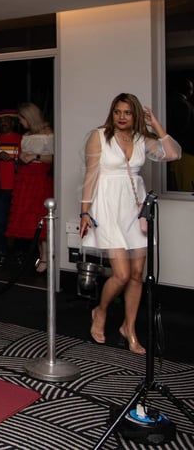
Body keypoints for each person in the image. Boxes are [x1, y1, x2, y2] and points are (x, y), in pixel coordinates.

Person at [81, 93, 181, 354]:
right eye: (117, 112)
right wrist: (84, 212)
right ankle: (101, 311)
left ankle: (130, 329)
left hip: (134, 208)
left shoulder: (141, 139)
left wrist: (155, 123)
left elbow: (172, 153)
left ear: (135, 115)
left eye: (127, 112)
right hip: (107, 206)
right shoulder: (99, 136)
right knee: (122, 274)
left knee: (137, 274)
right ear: (112, 113)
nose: (122, 117)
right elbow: (90, 174)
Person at [5, 102, 54, 272]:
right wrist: (23, 157)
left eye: (22, 118)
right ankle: (42, 256)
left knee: (41, 218)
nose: (20, 122)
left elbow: (53, 158)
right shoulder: (26, 135)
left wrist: (35, 156)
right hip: (25, 179)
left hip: (40, 179)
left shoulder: (48, 134)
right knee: (32, 221)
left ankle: (46, 258)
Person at [0, 110, 22, 267]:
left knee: (17, 221)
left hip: (17, 187)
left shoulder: (20, 139)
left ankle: (19, 253)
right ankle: (1, 252)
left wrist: (15, 160)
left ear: (12, 122)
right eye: (1, 121)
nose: (3, 123)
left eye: (6, 120)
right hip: (0, 188)